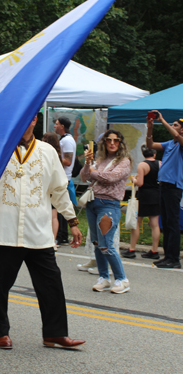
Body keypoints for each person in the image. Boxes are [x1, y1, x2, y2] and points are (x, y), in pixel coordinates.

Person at [0, 116, 85, 350]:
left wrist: (72, 221)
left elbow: (59, 189)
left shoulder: (47, 151)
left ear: (35, 120)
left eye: (30, 116)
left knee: (51, 283)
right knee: (1, 284)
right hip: (5, 228)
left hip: (38, 230)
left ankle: (55, 333)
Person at [80, 130, 131, 294]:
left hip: (109, 205)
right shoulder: (101, 160)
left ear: (121, 143)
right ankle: (104, 278)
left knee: (106, 245)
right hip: (93, 204)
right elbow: (83, 177)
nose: (112, 143)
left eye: (116, 140)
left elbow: (110, 178)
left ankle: (122, 279)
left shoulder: (124, 161)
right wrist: (88, 163)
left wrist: (92, 171)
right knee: (97, 243)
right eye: (108, 140)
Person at [146, 111, 183, 269]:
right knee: (166, 223)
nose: (173, 126)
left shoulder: (181, 142)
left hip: (174, 187)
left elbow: (177, 135)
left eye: (176, 125)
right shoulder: (170, 143)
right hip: (163, 185)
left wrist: (162, 120)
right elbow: (150, 145)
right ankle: (167, 256)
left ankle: (174, 259)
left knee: (173, 223)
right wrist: (150, 128)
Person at [122, 145, 161, 259]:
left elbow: (140, 183)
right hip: (156, 194)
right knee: (155, 224)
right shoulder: (160, 163)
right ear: (154, 154)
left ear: (144, 154)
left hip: (144, 196)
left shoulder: (142, 165)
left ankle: (132, 249)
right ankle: (154, 250)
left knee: (137, 223)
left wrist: (134, 179)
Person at [54, 116, 76, 245]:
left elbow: (67, 161)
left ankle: (62, 236)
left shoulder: (67, 140)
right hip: (63, 176)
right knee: (60, 207)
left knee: (61, 207)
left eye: (57, 124)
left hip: (64, 177)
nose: (55, 126)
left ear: (62, 126)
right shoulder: (65, 139)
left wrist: (53, 157)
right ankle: (62, 235)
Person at [42, 132, 62, 242]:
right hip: (54, 187)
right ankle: (53, 240)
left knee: (51, 215)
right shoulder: (58, 154)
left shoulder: (46, 153)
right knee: (54, 216)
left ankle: (50, 239)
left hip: (47, 187)